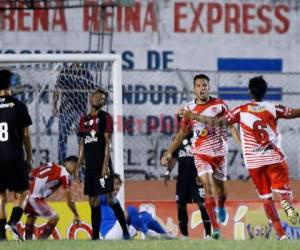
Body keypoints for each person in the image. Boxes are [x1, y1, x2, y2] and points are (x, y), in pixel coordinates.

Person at [180, 76, 300, 240]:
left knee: (266, 199)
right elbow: (294, 113)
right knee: (283, 193)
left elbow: (218, 123)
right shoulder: (274, 108)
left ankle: (282, 235)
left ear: (250, 92)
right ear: (265, 92)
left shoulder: (241, 110)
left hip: (254, 163)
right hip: (274, 158)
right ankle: (286, 202)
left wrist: (195, 116)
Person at [161, 74, 241, 239]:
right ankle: (215, 228)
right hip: (201, 153)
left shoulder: (220, 105)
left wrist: (242, 145)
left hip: (219, 152)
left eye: (205, 85)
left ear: (209, 87)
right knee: (207, 187)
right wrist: (169, 152)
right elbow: (182, 132)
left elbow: (231, 126)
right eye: (199, 86)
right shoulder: (189, 107)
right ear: (194, 89)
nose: (202, 88)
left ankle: (221, 204)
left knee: (221, 190)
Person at [77, 89, 129, 240]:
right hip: (90, 167)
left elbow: (107, 142)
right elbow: (82, 145)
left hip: (102, 165)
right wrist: (79, 165)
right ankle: (95, 237)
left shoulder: (105, 117)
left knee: (110, 198)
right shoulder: (84, 119)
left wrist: (105, 165)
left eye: (102, 98)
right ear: (90, 97)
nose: (98, 99)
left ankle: (125, 232)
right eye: (96, 96)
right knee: (93, 201)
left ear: (104, 102)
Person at [162, 121, 211, 239]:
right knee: (181, 205)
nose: (184, 126)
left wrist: (203, 173)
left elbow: (207, 156)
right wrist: (168, 172)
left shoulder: (200, 137)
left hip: (197, 178)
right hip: (182, 180)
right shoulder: (177, 140)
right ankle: (184, 235)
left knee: (202, 204)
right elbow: (173, 158)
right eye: (182, 123)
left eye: (187, 123)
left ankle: (208, 234)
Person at [0, 69, 33, 241]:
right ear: (10, 84)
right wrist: (29, 157)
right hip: (14, 155)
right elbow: (26, 135)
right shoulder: (19, 106)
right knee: (24, 192)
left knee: (1, 195)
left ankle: (1, 236)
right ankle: (12, 222)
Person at [100, 174, 173, 240]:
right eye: (114, 183)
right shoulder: (103, 197)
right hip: (110, 235)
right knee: (130, 209)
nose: (116, 185)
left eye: (118, 184)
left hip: (121, 232)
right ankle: (147, 233)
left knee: (145, 216)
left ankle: (166, 235)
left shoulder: (116, 201)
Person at [24, 156, 80, 240]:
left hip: (27, 194)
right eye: (77, 168)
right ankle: (41, 243)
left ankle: (27, 244)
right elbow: (69, 201)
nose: (76, 171)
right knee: (54, 217)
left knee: (31, 217)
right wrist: (76, 215)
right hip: (35, 198)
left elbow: (32, 175)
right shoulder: (64, 174)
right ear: (72, 165)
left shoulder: (50, 164)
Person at [53, 62, 95, 163]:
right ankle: (62, 163)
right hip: (65, 110)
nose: (78, 62)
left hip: (80, 111)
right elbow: (57, 90)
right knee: (62, 137)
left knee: (82, 139)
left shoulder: (86, 74)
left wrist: (92, 109)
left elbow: (91, 92)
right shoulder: (65, 73)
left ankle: (83, 164)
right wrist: (55, 106)